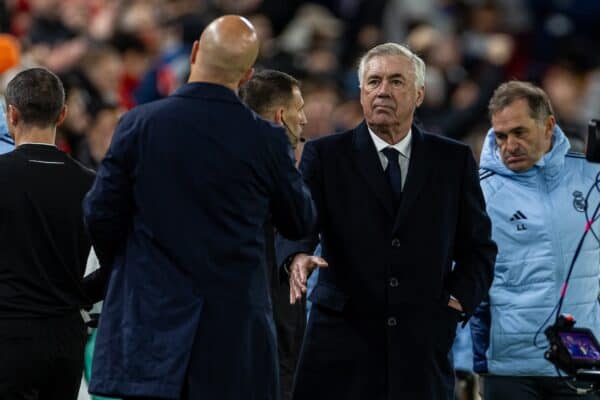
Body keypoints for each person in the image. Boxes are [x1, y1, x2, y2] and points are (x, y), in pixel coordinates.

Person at [83, 15, 315, 400]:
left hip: (150, 330)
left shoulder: (138, 125)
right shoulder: (267, 139)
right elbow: (299, 219)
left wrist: (130, 268)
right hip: (233, 340)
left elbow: (99, 215)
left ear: (193, 53)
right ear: (246, 76)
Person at [279, 42, 497, 399]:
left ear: (420, 94)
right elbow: (299, 223)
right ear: (361, 93)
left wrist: (455, 304)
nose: (382, 91)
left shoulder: (453, 161)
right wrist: (297, 256)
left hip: (421, 348)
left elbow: (479, 249)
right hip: (340, 346)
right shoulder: (325, 155)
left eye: (396, 81)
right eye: (373, 81)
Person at [470, 81, 600, 399]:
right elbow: (466, 276)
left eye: (519, 132)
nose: (509, 145)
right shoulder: (478, 192)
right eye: (501, 136)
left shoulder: (591, 178)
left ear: (548, 126)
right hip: (509, 367)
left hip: (580, 361)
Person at [0, 67, 95, 399]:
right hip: (66, 334)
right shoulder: (91, 183)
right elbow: (121, 262)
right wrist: (80, 295)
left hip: (8, 333)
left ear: (11, 114)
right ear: (62, 114)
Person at [239, 69, 308, 400]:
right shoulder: (274, 164)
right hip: (268, 320)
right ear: (281, 116)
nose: (304, 119)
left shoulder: (220, 159)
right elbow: (301, 221)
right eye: (299, 109)